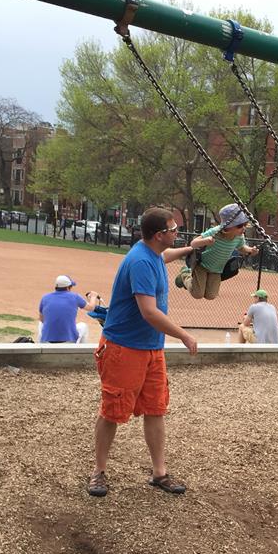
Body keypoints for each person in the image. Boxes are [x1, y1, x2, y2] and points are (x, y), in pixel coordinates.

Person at [89, 207, 198, 499]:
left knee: (155, 408)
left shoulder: (153, 253)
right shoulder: (139, 261)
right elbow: (148, 312)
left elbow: (164, 257)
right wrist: (184, 335)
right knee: (112, 411)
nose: (177, 233)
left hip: (151, 349)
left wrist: (191, 248)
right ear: (159, 235)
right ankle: (99, 471)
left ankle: (159, 473)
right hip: (124, 348)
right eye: (173, 230)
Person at [174, 203, 259, 300]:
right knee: (198, 294)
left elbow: (241, 248)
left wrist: (250, 250)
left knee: (211, 296)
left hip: (217, 269)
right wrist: (205, 241)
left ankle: (195, 282)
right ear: (228, 226)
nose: (243, 228)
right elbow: (193, 243)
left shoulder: (239, 237)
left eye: (245, 224)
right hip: (202, 265)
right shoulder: (215, 232)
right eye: (239, 225)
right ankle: (185, 273)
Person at [38, 274, 100, 344]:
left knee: (40, 324)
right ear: (68, 287)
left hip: (47, 341)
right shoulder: (75, 296)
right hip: (68, 341)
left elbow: (42, 319)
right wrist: (93, 296)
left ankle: (40, 344)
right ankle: (81, 349)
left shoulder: (45, 297)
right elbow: (91, 308)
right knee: (83, 326)